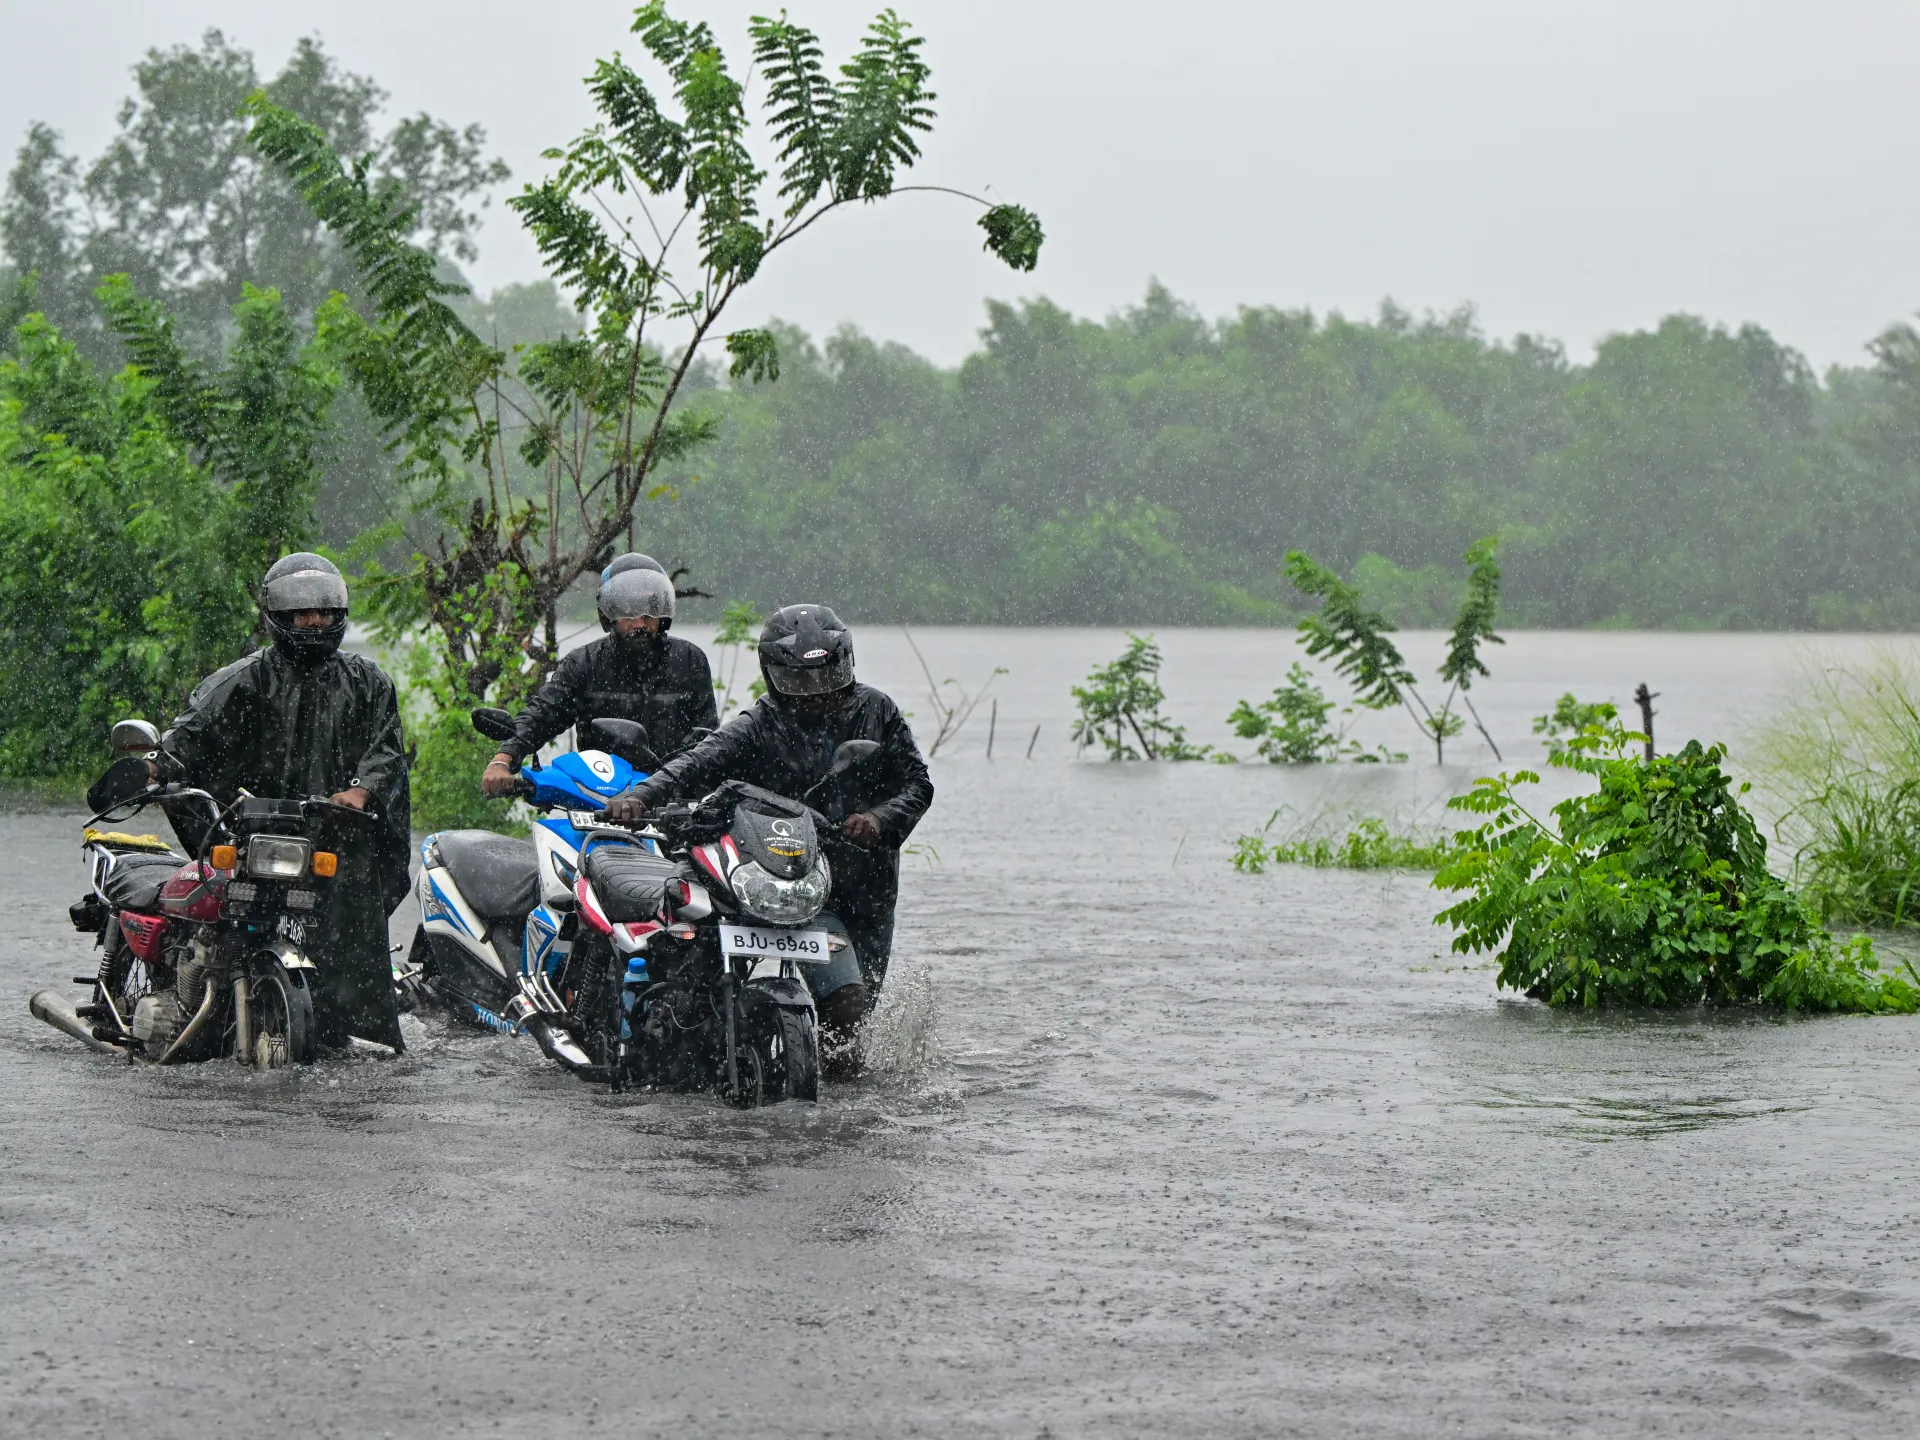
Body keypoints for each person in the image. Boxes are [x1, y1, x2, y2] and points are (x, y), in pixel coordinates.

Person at [605, 604, 933, 1075]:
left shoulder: (876, 711)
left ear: (846, 662)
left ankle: (836, 1111)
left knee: (850, 1016)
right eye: (802, 680)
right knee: (703, 969)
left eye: (827, 674)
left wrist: (879, 819)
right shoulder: (759, 723)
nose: (817, 693)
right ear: (775, 674)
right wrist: (639, 796)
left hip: (863, 886)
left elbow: (918, 784)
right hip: (777, 874)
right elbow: (697, 762)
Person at [154, 553, 410, 1050]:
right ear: (280, 616)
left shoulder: (368, 682)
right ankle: (198, 1006)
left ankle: (352, 1030)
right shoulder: (241, 680)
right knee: (223, 915)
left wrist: (361, 792)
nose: (315, 621)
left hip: (333, 834)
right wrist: (154, 765)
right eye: (302, 612)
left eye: (325, 612)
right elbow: (191, 733)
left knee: (354, 932)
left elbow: (387, 753)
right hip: (253, 828)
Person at [481, 554, 718, 795]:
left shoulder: (689, 661)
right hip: (599, 800)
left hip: (672, 802)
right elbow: (542, 715)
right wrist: (503, 758)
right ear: (610, 615)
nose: (640, 624)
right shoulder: (584, 664)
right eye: (629, 613)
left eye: (648, 614)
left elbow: (708, 740)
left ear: (662, 615)